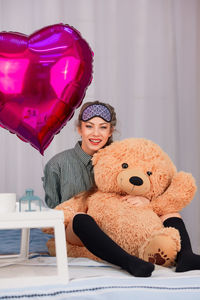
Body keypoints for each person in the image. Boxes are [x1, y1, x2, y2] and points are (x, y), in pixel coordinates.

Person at [43, 100, 200, 275]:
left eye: (103, 127)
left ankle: (186, 256)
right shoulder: (57, 165)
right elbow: (53, 213)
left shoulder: (122, 155)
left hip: (122, 223)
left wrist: (146, 199)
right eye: (89, 126)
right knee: (80, 219)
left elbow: (150, 183)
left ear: (110, 131)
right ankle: (128, 262)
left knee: (170, 212)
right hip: (80, 232)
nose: (96, 133)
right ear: (80, 129)